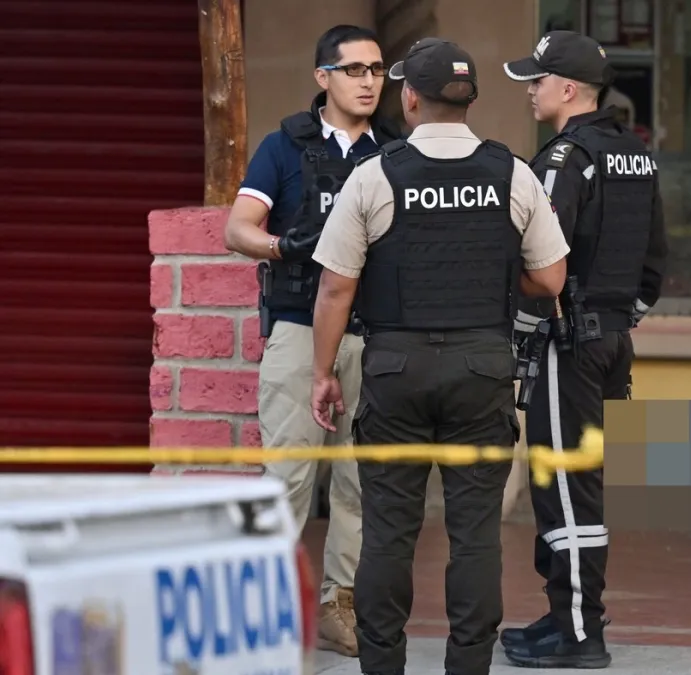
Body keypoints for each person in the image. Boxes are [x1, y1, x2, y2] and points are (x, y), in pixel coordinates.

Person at [308, 37, 570, 675]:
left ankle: (382, 665)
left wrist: (322, 372)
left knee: (387, 534)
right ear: (470, 100)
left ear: (410, 98)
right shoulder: (513, 173)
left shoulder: (374, 174)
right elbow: (551, 278)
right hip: (482, 367)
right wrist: (493, 277)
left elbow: (336, 287)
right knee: (475, 536)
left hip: (394, 368)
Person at [221, 24, 404, 657]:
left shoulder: (395, 152)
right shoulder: (285, 146)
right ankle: (264, 609)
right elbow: (238, 229)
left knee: (361, 480)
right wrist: (283, 245)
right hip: (301, 329)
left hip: (374, 336)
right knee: (288, 475)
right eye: (354, 70)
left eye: (377, 70)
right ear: (323, 77)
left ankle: (338, 604)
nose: (369, 81)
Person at [500, 30, 668, 669]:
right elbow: (654, 263)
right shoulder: (635, 154)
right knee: (572, 482)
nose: (531, 91)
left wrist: (520, 335)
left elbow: (543, 264)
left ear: (568, 89)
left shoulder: (564, 160)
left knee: (566, 489)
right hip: (608, 340)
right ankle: (563, 617)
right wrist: (619, 321)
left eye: (538, 80)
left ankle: (579, 633)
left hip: (565, 342)